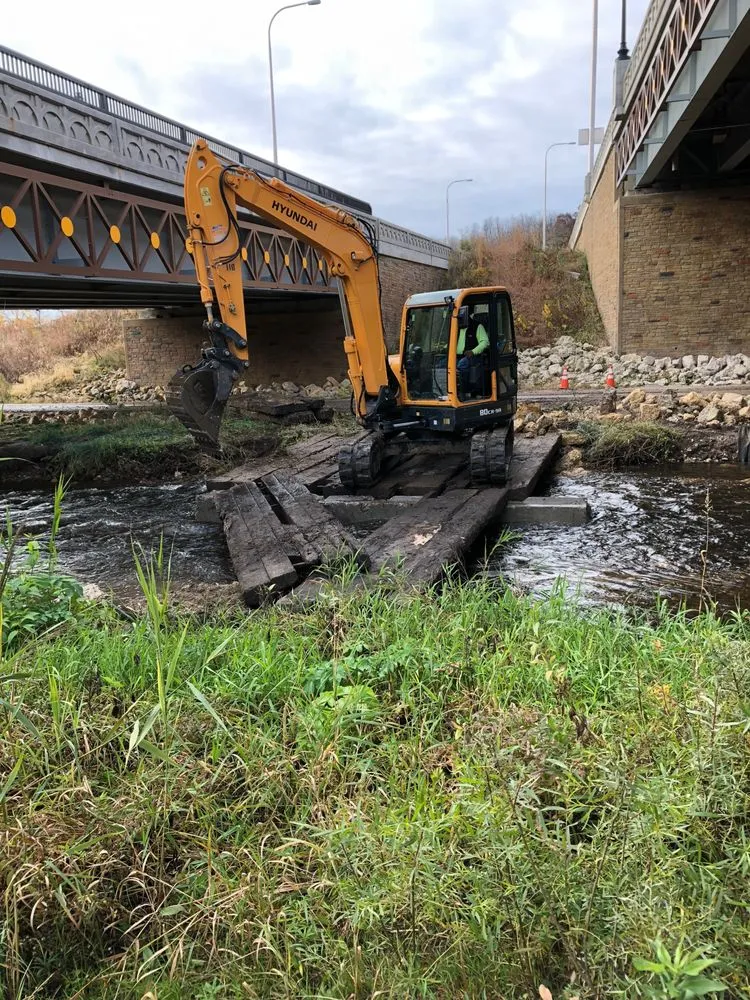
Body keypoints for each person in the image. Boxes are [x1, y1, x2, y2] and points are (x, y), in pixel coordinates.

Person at [457, 311, 490, 393]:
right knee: (441, 364)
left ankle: (464, 391)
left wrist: (473, 351)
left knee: (461, 364)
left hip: (473, 357)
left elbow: (485, 342)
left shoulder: (477, 326)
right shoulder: (455, 327)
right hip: (456, 356)